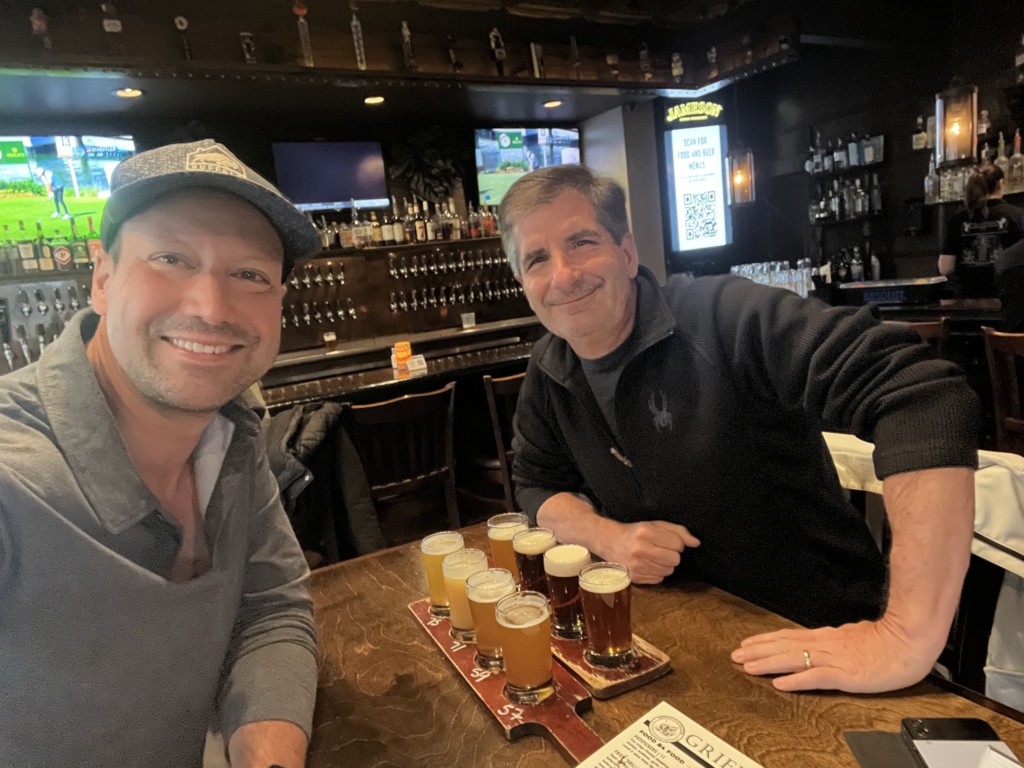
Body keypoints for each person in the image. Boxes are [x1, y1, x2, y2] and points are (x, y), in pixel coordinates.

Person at [504, 165, 979, 695]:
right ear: (523, 284)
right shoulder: (549, 366)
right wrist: (608, 537)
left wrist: (905, 636)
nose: (563, 274)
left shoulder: (722, 315)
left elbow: (923, 394)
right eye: (537, 259)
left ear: (627, 252)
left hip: (816, 635)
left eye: (581, 242)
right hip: (684, 641)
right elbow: (535, 482)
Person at [0, 140, 322, 768]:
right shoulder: (14, 478)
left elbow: (270, 610)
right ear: (103, 279)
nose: (210, 307)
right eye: (171, 259)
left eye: (250, 275)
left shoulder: (229, 433)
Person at [938, 164, 1024, 298]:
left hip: (967, 299)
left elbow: (945, 268)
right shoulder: (1017, 215)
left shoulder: (957, 218)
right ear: (1001, 183)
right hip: (1007, 297)